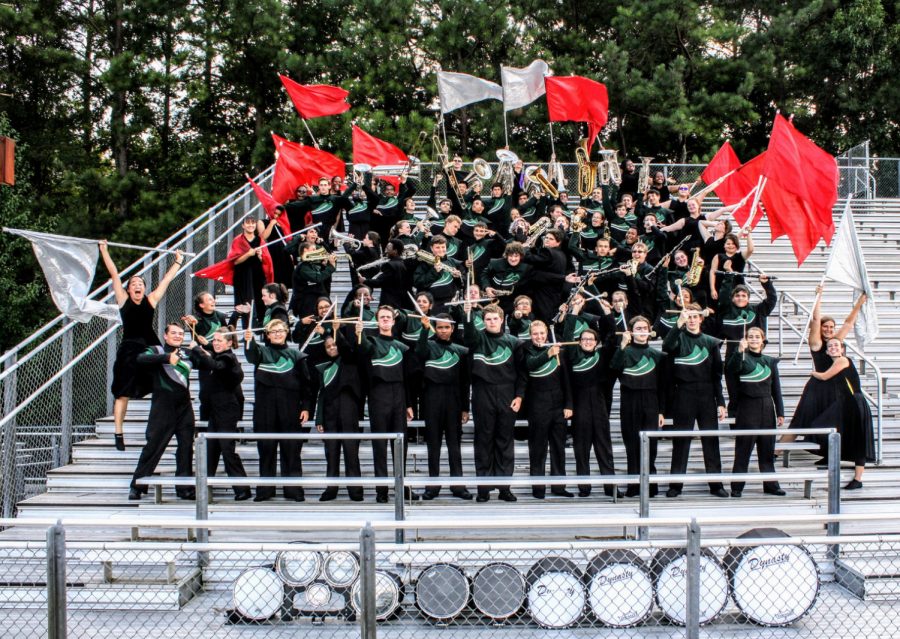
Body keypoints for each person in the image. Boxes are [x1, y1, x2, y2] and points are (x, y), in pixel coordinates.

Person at [99, 241, 184, 451]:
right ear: (129, 289)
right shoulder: (123, 301)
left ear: (145, 288)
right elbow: (114, 274)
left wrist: (178, 262)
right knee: (122, 393)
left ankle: (164, 424)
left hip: (149, 350)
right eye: (134, 283)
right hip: (129, 351)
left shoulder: (151, 300)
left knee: (163, 383)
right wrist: (104, 251)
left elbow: (166, 281)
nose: (138, 286)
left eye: (141, 283)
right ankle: (118, 432)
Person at [128, 323, 211, 501]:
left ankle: (184, 488)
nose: (177, 336)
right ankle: (137, 486)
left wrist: (201, 348)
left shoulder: (187, 354)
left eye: (181, 334)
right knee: (153, 447)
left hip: (184, 408)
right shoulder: (157, 350)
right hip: (162, 408)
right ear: (165, 336)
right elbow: (140, 359)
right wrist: (166, 358)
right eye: (173, 333)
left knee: (186, 448)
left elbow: (207, 364)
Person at [783, 286, 866, 453]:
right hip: (817, 388)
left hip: (833, 390)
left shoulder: (834, 342)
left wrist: (860, 303)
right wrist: (818, 297)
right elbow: (815, 319)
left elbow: (849, 323)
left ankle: (828, 455)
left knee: (832, 424)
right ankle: (775, 453)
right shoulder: (817, 343)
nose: (828, 329)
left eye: (831, 327)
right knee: (800, 421)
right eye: (825, 326)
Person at [662, 303, 728, 498]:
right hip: (684, 393)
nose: (691, 320)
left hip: (707, 394)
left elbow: (717, 376)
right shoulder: (678, 338)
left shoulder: (711, 342)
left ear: (701, 319)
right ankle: (676, 485)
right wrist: (677, 325)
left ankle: (716, 485)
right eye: (688, 317)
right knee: (681, 441)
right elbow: (666, 346)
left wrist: (721, 402)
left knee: (711, 440)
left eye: (695, 316)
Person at [244, 319, 312, 502]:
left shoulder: (296, 355)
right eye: (273, 331)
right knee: (266, 448)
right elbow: (250, 354)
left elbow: (307, 385)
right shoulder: (261, 352)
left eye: (281, 330)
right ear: (267, 334)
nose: (277, 334)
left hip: (290, 408)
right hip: (265, 409)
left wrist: (306, 407)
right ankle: (265, 491)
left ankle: (293, 491)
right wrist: (248, 341)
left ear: (286, 332)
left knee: (291, 449)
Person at [356, 306, 416, 503]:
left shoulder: (401, 346)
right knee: (380, 445)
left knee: (400, 445)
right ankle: (381, 490)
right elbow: (362, 347)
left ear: (393, 321)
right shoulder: (372, 342)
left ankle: (402, 487)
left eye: (388, 317)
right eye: (381, 317)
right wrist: (359, 332)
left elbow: (407, 377)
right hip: (378, 394)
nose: (385, 320)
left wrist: (408, 403)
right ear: (377, 320)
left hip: (398, 395)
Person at [463, 304, 522, 502]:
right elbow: (469, 334)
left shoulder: (514, 342)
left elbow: (522, 373)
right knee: (483, 441)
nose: (491, 322)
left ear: (502, 320)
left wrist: (519, 396)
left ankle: (505, 487)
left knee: (504, 441)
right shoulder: (478, 338)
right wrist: (468, 313)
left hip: (507, 393)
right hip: (482, 392)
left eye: (495, 319)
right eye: (487, 319)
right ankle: (483, 488)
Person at [562, 312, 619, 498]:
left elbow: (611, 338)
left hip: (600, 404)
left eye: (591, 339)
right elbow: (566, 335)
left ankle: (610, 487)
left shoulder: (602, 355)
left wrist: (608, 314)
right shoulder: (573, 356)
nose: (587, 342)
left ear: (596, 342)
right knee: (581, 449)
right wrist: (572, 315)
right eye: (584, 339)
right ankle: (584, 487)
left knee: (604, 448)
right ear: (579, 342)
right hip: (580, 406)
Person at [415, 315, 472, 500]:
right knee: (434, 445)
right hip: (432, 400)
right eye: (439, 327)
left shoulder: (460, 350)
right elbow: (419, 352)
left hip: (454, 401)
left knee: (454, 445)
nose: (443, 330)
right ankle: (433, 486)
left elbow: (465, 381)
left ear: (452, 328)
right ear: (435, 328)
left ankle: (458, 485)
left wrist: (465, 408)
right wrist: (424, 329)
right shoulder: (428, 345)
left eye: (447, 327)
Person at [610, 316, 666, 497]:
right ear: (632, 331)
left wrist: (661, 411)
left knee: (650, 445)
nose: (642, 331)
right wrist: (622, 345)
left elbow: (663, 386)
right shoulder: (624, 352)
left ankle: (650, 486)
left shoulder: (657, 355)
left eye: (645, 328)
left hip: (651, 401)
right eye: (638, 328)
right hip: (629, 400)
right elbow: (613, 369)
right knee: (632, 444)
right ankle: (634, 485)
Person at [809, 338, 875, 489]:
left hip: (854, 402)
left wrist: (813, 372)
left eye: (836, 346)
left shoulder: (842, 360)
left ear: (842, 349)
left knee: (858, 439)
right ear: (826, 351)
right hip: (844, 403)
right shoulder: (834, 362)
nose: (833, 348)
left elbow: (824, 376)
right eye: (830, 346)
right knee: (820, 426)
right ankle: (830, 455)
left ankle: (858, 479)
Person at [727, 328, 785, 498]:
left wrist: (780, 411)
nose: (753, 339)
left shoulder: (770, 361)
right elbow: (731, 370)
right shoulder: (741, 357)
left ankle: (771, 485)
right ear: (745, 339)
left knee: (767, 449)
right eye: (750, 336)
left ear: (762, 340)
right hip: (747, 407)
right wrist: (739, 351)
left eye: (757, 337)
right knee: (743, 450)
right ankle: (737, 487)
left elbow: (776, 390)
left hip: (767, 407)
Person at [518, 320, 573, 499]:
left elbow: (567, 381)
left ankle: (558, 486)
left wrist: (568, 405)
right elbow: (529, 366)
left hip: (558, 406)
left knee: (558, 447)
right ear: (530, 335)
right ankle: (538, 488)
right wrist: (548, 354)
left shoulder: (559, 353)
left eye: (542, 333)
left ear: (547, 334)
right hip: (537, 406)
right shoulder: (526, 350)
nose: (539, 337)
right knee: (538, 448)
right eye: (535, 334)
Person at [197, 327, 251, 501]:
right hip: (215, 409)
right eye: (215, 340)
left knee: (227, 449)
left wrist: (198, 350)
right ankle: (204, 487)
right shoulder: (218, 355)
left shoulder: (228, 358)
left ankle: (242, 488)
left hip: (227, 410)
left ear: (229, 343)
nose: (216, 343)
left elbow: (217, 365)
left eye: (220, 340)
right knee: (211, 449)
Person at [313, 325, 364, 502]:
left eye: (334, 345)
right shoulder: (324, 368)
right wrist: (319, 418)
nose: (332, 348)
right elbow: (321, 394)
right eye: (328, 347)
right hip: (330, 413)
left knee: (351, 452)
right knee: (331, 453)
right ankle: (331, 488)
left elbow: (348, 348)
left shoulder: (349, 360)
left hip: (348, 411)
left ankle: (355, 490)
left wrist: (334, 332)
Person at [231, 214, 278, 326]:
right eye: (248, 223)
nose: (251, 225)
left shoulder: (260, 240)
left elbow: (266, 261)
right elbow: (234, 261)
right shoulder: (238, 240)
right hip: (243, 276)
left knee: (260, 300)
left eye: (253, 222)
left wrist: (261, 256)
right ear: (243, 225)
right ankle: (247, 330)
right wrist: (248, 254)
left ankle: (261, 327)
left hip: (257, 274)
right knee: (245, 303)